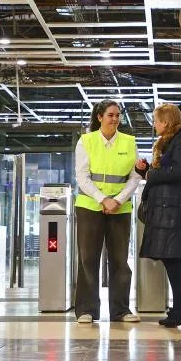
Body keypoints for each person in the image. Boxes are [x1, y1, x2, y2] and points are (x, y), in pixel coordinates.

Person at [73, 99, 141, 324]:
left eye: (117, 115)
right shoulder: (86, 141)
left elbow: (135, 177)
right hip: (90, 206)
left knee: (120, 259)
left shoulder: (129, 142)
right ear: (99, 117)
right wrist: (103, 199)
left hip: (120, 208)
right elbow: (82, 177)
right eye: (110, 115)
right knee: (88, 259)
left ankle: (121, 310)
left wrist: (118, 200)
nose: (115, 119)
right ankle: (87, 310)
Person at [135, 103, 181, 328]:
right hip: (166, 207)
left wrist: (151, 172)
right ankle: (180, 305)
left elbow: (178, 171)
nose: (154, 124)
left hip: (173, 209)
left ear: (167, 121)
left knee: (172, 257)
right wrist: (145, 170)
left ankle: (180, 306)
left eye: (157, 120)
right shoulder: (171, 141)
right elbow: (165, 172)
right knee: (170, 257)